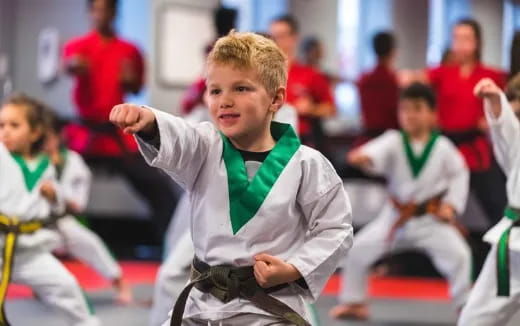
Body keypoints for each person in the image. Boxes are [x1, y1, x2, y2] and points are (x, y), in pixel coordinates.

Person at [110, 31, 353, 326]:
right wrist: (148, 121)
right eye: (215, 91)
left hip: (269, 308)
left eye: (241, 89)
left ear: (276, 99)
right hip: (203, 305)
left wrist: (293, 268)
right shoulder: (205, 145)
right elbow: (181, 136)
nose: (225, 101)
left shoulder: (308, 165)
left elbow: (335, 228)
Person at [330, 83, 471, 320]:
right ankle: (354, 302)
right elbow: (374, 153)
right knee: (357, 249)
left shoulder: (443, 147)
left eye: (417, 109)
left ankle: (465, 308)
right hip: (395, 218)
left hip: (430, 220)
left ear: (433, 115)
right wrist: (364, 158)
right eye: (404, 109)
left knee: (460, 256)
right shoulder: (394, 140)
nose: (410, 115)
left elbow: (460, 175)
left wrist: (451, 206)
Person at [63, 0, 176, 242]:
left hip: (117, 135)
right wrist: (74, 67)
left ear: (115, 13)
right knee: (52, 175)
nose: (101, 15)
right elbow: (69, 67)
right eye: (97, 9)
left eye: (107, 9)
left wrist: (130, 79)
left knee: (158, 187)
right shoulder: (78, 47)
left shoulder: (129, 50)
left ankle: (171, 246)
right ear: (90, 12)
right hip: (85, 135)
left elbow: (136, 88)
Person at [0, 94, 99, 325]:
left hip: (30, 251)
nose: (5, 131)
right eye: (1, 125)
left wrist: (53, 195)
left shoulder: (45, 165)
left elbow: (57, 203)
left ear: (35, 133)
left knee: (68, 288)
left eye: (14, 125)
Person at [44, 111, 132, 304]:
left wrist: (56, 194)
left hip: (61, 221)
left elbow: (78, 203)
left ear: (59, 137)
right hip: (33, 224)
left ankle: (119, 282)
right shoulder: (32, 161)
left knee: (91, 244)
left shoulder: (73, 162)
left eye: (49, 137)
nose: (45, 142)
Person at [426, 18, 507, 227]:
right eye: (456, 38)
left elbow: (508, 104)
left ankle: (502, 246)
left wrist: (491, 117)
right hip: (445, 147)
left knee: (495, 203)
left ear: (477, 42)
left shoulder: (492, 75)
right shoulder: (441, 73)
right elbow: (414, 83)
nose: (461, 44)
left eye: (466, 38)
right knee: (432, 201)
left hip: (475, 148)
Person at [457, 77, 520, 325]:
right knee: (474, 320)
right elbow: (507, 130)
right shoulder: (516, 142)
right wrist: (496, 100)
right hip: (513, 246)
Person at [269, 15, 335, 151]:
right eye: (272, 37)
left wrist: (311, 109)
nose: (276, 41)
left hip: (299, 141)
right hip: (268, 140)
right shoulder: (262, 74)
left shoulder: (310, 74)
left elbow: (331, 108)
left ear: (294, 38)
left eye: (281, 36)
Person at [357, 31, 400, 141]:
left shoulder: (363, 79)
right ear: (392, 51)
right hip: (390, 138)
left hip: (367, 138)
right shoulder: (393, 80)